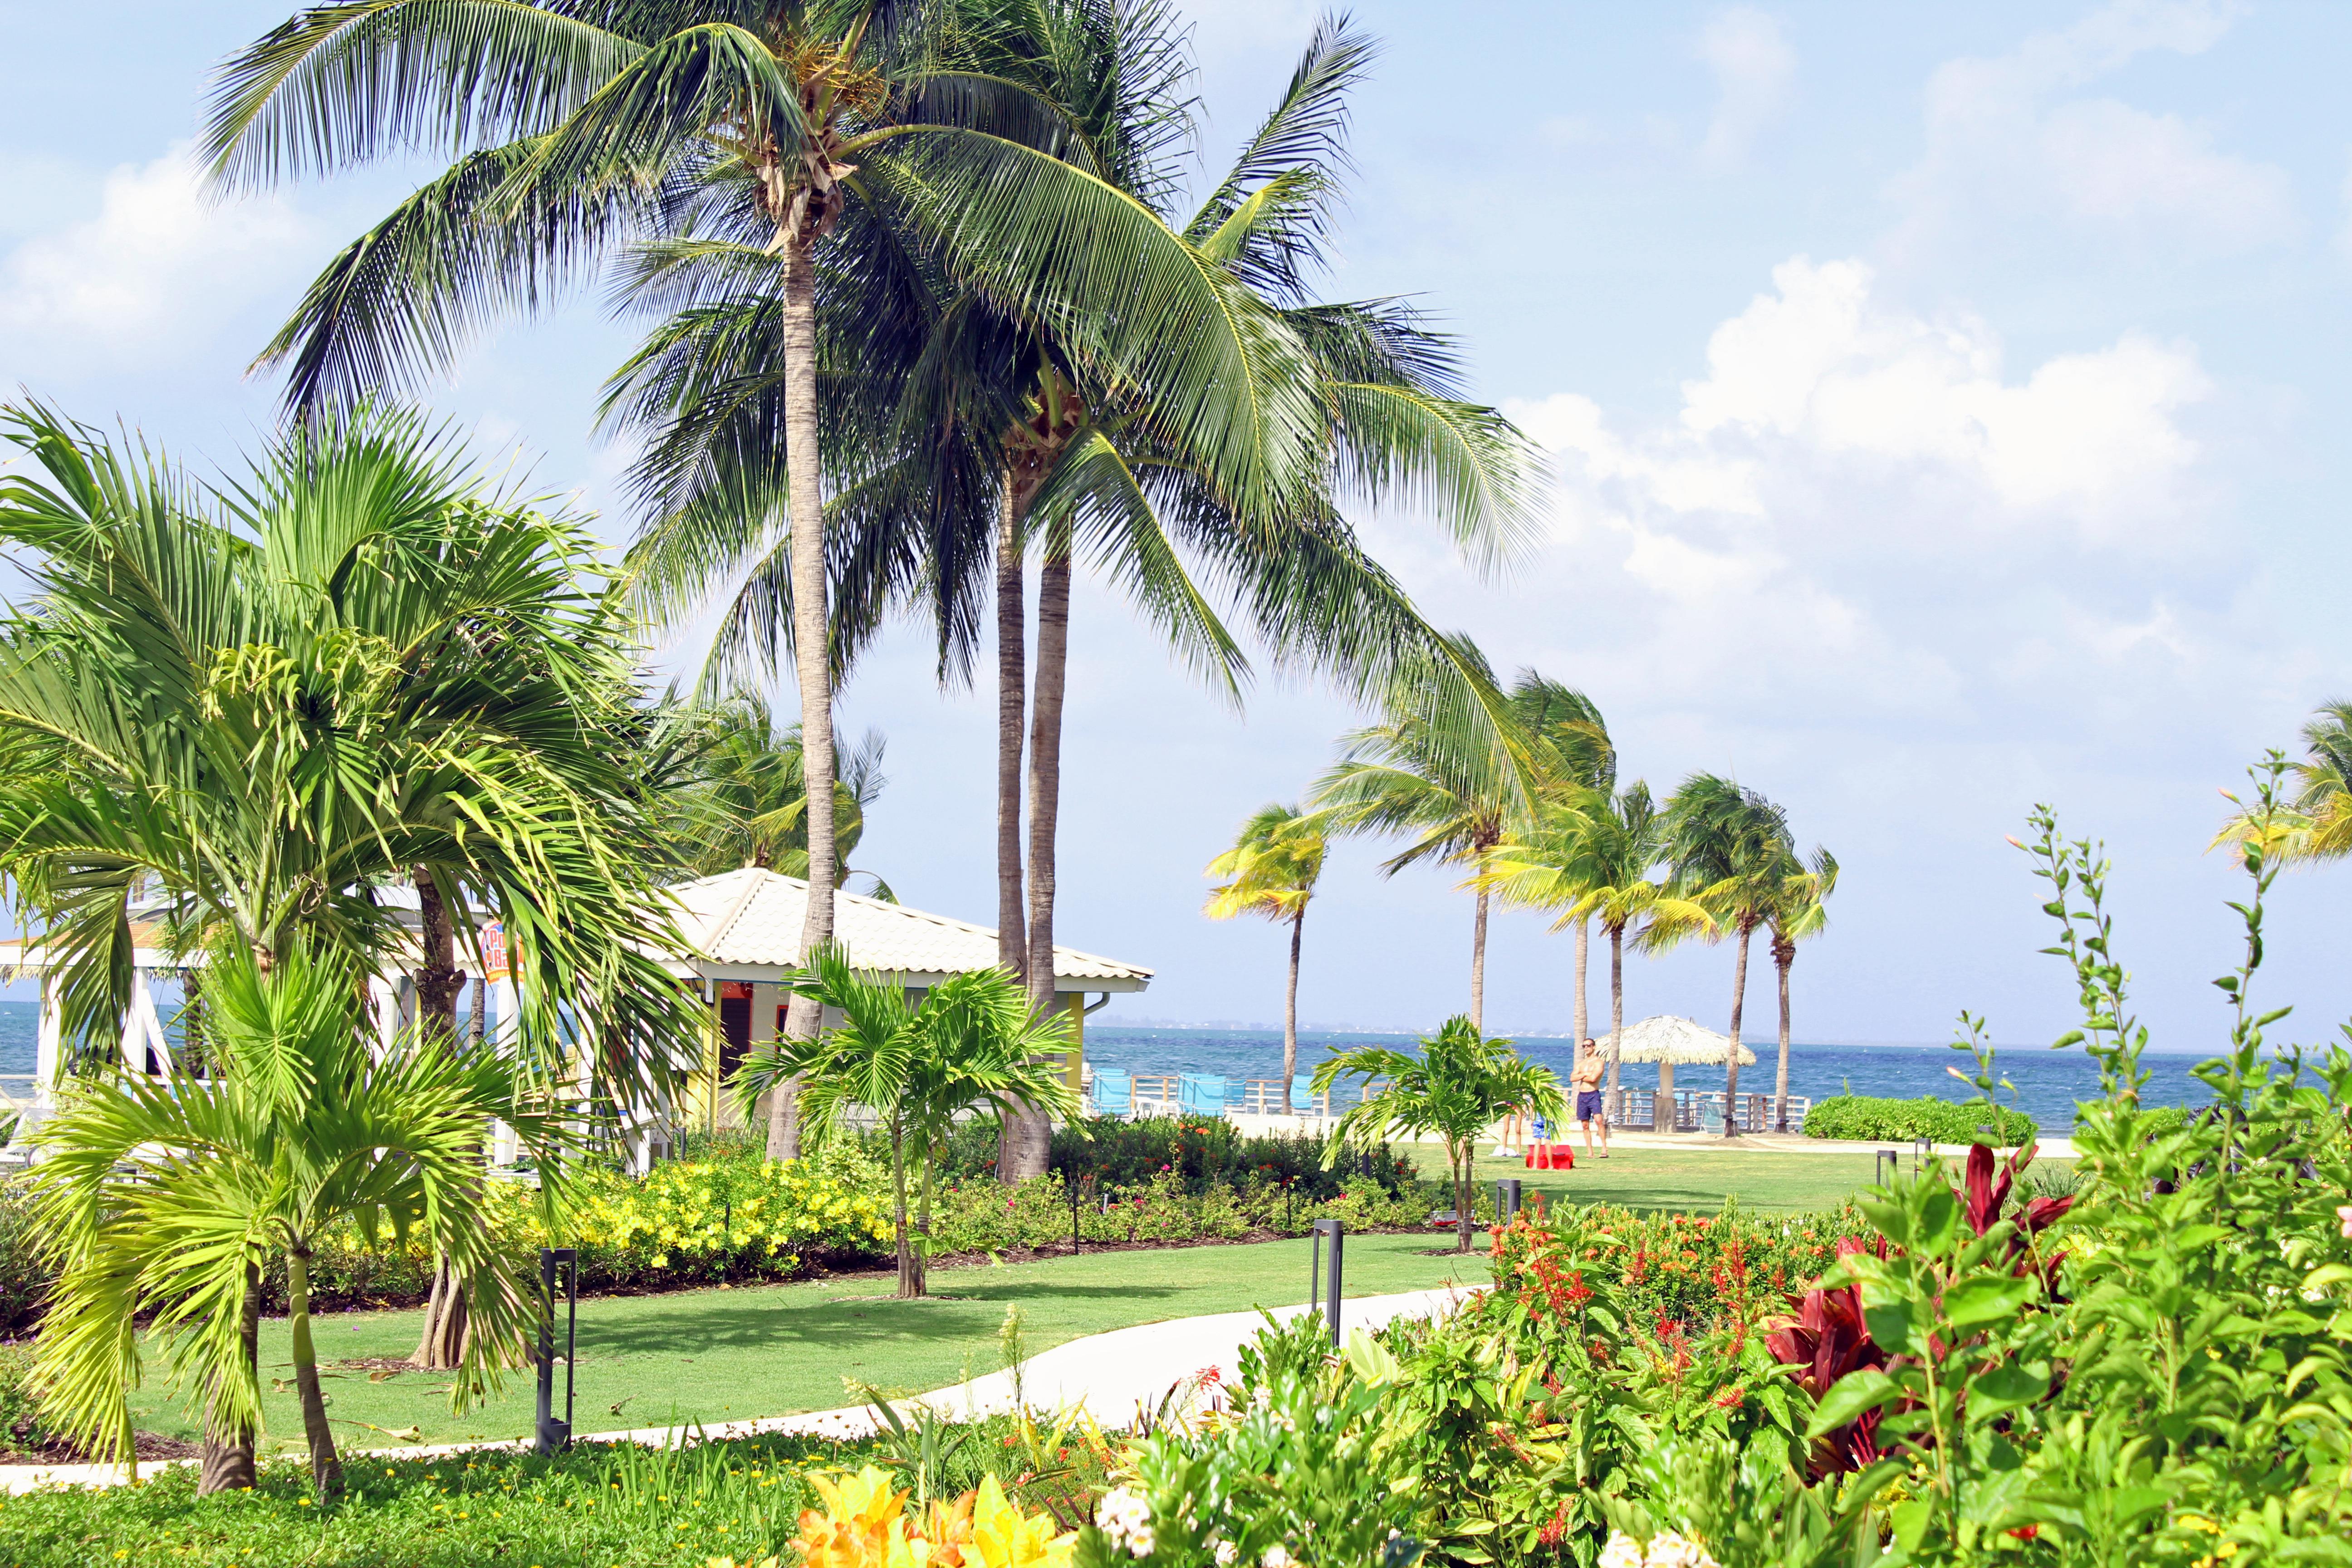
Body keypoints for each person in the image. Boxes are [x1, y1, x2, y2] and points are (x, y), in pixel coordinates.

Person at [1570, 1036, 1609, 1159]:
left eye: (1588, 1045)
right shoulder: (1581, 1064)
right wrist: (1586, 1074)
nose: (1586, 1048)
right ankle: (1590, 1152)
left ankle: (1604, 1148)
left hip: (1593, 1094)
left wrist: (1581, 1076)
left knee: (1598, 1120)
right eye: (1584, 1046)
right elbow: (1572, 1078)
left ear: (1594, 1047)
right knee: (1585, 1125)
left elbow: (1594, 1079)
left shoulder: (1598, 1062)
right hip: (1582, 1096)